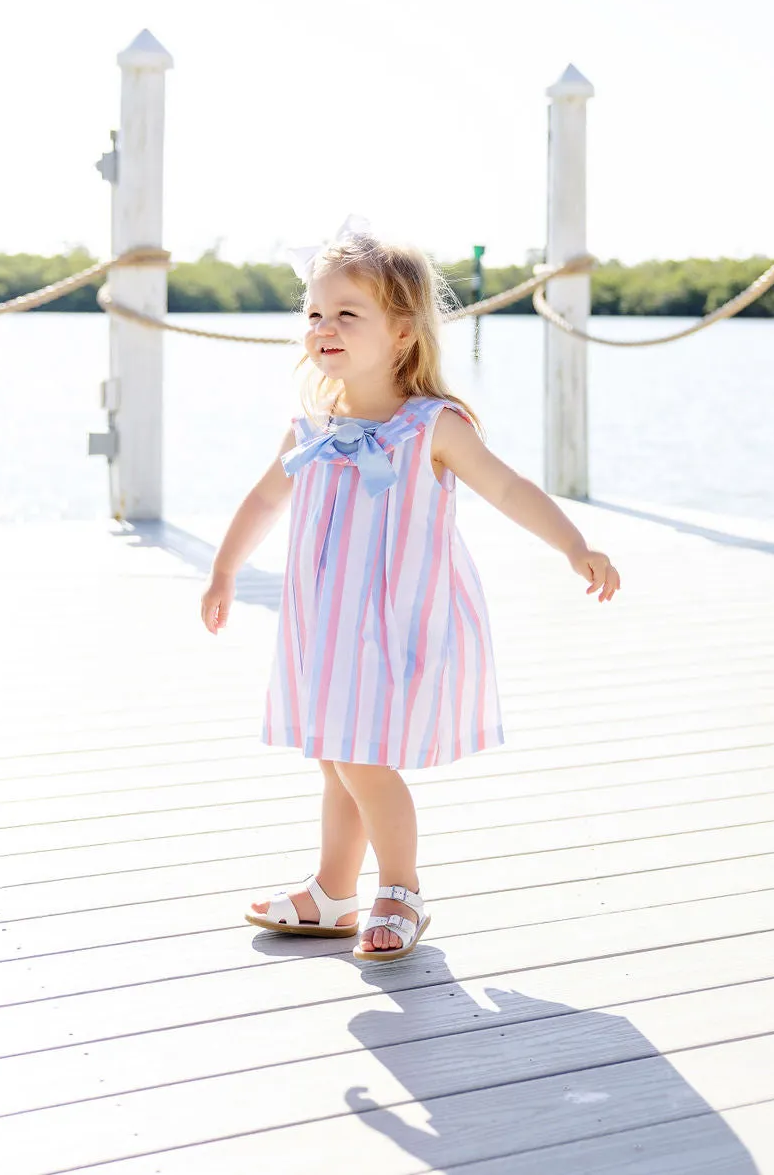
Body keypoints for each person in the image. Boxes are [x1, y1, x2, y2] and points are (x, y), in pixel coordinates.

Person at [200, 219, 620, 963]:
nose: (325, 328)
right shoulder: (310, 427)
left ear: (401, 331)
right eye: (315, 315)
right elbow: (266, 500)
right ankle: (333, 889)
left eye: (346, 314)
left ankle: (400, 887)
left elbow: (509, 488)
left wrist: (573, 544)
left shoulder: (432, 426)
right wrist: (227, 568)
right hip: (323, 628)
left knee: (361, 758)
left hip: (392, 628)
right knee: (335, 755)